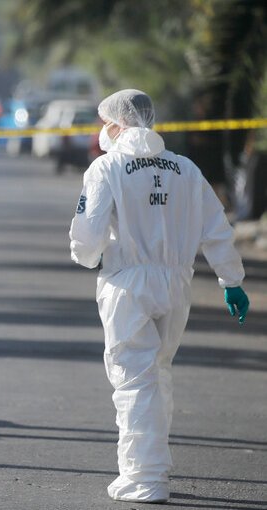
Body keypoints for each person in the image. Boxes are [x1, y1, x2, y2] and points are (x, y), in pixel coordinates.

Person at [69, 89, 250, 504]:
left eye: (105, 122)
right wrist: (231, 280)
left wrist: (88, 256)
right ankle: (151, 466)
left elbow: (87, 239)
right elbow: (216, 226)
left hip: (127, 283)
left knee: (134, 379)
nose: (103, 130)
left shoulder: (107, 167)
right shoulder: (185, 168)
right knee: (157, 373)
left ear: (117, 124)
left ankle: (145, 478)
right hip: (176, 285)